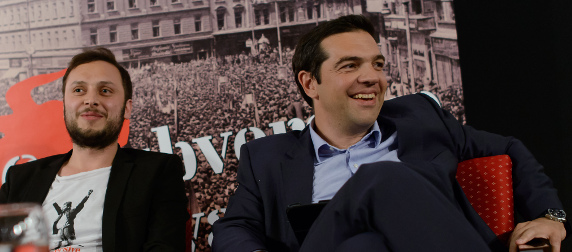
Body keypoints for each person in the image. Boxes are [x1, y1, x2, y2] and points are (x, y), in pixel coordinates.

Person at [212, 15, 567, 252]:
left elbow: (508, 148)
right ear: (310, 83)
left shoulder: (422, 120)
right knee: (380, 178)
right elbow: (233, 228)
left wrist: (552, 217)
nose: (373, 77)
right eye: (350, 65)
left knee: (363, 245)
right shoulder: (267, 157)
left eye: (377, 64)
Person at [0, 47, 189, 252]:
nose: (90, 100)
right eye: (79, 90)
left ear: (127, 108)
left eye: (105, 91)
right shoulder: (20, 178)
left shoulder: (158, 172)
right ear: (64, 105)